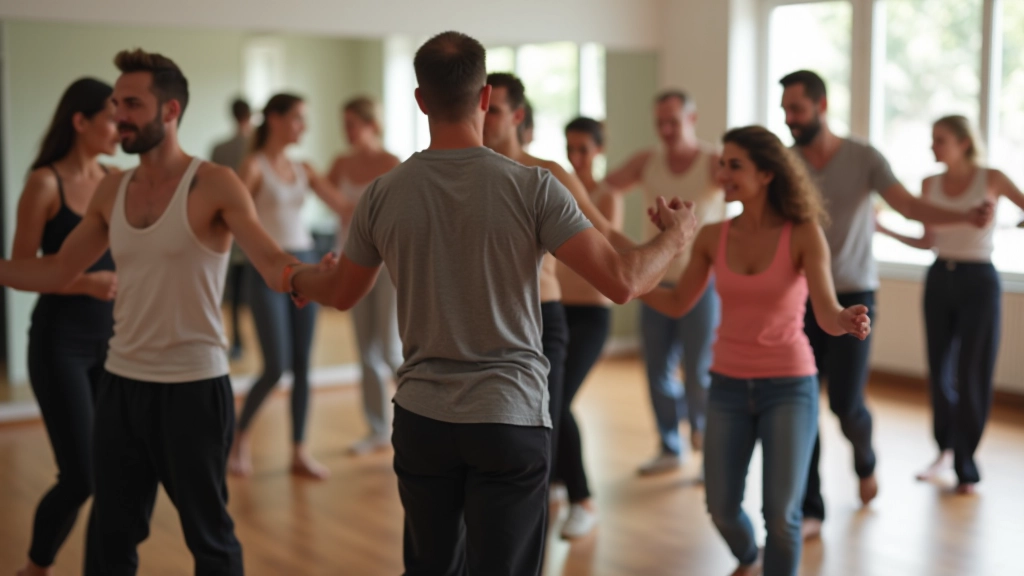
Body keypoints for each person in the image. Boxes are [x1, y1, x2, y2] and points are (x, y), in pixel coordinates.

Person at [288, 31, 698, 576]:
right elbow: (624, 281)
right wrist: (674, 238)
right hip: (508, 419)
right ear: (484, 99)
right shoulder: (533, 187)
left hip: (423, 419)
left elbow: (340, 294)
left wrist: (295, 279)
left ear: (420, 100)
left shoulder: (383, 193)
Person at [0, 48, 325, 576]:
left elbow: (270, 262)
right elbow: (58, 271)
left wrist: (314, 278)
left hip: (194, 388)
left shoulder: (214, 182)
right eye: (115, 103)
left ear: (170, 111)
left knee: (209, 538)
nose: (119, 115)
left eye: (131, 103)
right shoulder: (114, 187)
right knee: (110, 538)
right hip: (121, 384)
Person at [643, 126, 871, 576]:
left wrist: (843, 319)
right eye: (721, 163)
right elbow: (675, 302)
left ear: (767, 173)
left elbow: (825, 312)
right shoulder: (712, 236)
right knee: (722, 507)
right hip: (726, 386)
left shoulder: (803, 233)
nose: (722, 172)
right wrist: (629, 276)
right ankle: (749, 558)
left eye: (735, 165)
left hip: (789, 385)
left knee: (782, 519)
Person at [778, 70, 994, 538]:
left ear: (821, 105)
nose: (789, 119)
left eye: (795, 109)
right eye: (784, 110)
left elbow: (911, 207)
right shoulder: (787, 162)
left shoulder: (863, 157)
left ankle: (865, 456)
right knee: (802, 402)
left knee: (845, 403)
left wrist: (962, 214)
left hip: (854, 294)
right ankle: (812, 505)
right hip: (804, 296)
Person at [483, 72, 634, 499]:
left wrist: (659, 248)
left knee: (551, 411)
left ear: (517, 117)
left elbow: (602, 230)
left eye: (492, 111)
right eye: (480, 109)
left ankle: (577, 497)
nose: (483, 120)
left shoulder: (547, 175)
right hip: (500, 319)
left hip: (558, 315)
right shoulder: (471, 173)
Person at [876, 115, 1024, 494]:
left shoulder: (992, 177)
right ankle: (944, 449)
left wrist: (1010, 226)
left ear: (963, 142)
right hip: (940, 276)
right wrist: (884, 228)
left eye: (939, 139)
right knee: (939, 369)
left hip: (980, 280)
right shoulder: (929, 183)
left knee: (973, 371)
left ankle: (965, 459)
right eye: (932, 138)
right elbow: (927, 241)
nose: (932, 146)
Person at [13, 78, 119, 576]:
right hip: (60, 345)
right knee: (80, 477)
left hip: (115, 345)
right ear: (80, 122)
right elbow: (20, 269)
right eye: (110, 119)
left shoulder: (116, 181)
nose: (119, 129)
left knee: (114, 476)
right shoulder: (43, 183)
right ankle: (35, 568)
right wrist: (87, 284)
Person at [599, 89, 725, 475]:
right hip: (654, 280)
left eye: (674, 121)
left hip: (701, 283)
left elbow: (750, 194)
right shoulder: (646, 161)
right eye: (661, 123)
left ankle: (707, 448)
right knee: (656, 369)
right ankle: (670, 446)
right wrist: (615, 237)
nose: (667, 129)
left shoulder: (714, 162)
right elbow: (604, 189)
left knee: (698, 369)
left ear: (692, 118)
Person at [228, 93, 348, 480]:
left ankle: (299, 451)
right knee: (276, 365)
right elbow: (234, 219)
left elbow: (346, 206)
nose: (303, 126)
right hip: (267, 271)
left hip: (306, 267)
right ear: (275, 119)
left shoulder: (305, 168)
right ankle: (239, 438)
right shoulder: (253, 165)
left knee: (302, 367)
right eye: (297, 118)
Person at [553, 116, 623, 538]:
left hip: (592, 314)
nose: (575, 156)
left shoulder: (606, 196)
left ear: (598, 150)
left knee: (557, 402)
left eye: (583, 149)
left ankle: (583, 499)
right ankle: (554, 482)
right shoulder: (552, 185)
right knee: (547, 400)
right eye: (570, 147)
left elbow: (602, 238)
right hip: (557, 310)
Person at [327, 96, 402, 455]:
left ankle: (424, 416)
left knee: (389, 348)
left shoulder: (391, 163)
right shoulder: (340, 163)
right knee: (365, 350)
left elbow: (403, 215)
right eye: (343, 123)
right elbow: (320, 194)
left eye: (352, 123)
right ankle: (376, 429)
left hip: (386, 264)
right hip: (350, 261)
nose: (346, 131)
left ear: (371, 124)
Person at [210, 97, 253, 360]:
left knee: (234, 291)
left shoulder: (220, 149)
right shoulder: (256, 147)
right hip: (252, 227)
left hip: (227, 226)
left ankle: (237, 340)